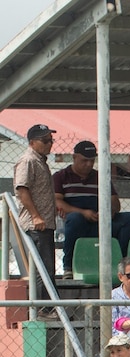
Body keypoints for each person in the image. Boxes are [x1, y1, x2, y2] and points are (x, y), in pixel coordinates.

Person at [53, 140, 130, 277]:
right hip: (77, 224)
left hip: (102, 222)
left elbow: (115, 201)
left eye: (92, 161)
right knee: (75, 219)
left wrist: (109, 212)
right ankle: (68, 267)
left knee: (129, 219)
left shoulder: (101, 177)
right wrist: (83, 212)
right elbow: (57, 202)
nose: (88, 164)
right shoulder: (61, 177)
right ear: (74, 157)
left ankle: (123, 265)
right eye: (84, 160)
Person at [15, 124, 58, 291]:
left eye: (51, 140)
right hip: (37, 224)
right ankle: (45, 309)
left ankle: (47, 307)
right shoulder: (28, 160)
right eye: (45, 140)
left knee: (47, 267)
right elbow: (22, 189)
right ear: (32, 142)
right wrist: (35, 216)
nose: (49, 143)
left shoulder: (40, 161)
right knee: (43, 269)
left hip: (45, 222)